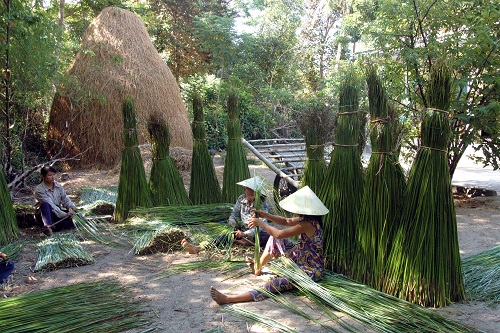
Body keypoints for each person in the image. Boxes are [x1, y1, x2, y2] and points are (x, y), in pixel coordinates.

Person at [210, 185, 328, 304]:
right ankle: (258, 267)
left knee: (273, 284)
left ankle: (229, 299)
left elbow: (279, 234)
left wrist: (261, 223)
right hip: (301, 258)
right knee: (272, 239)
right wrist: (264, 215)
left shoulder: (308, 224)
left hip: (310, 271)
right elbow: (285, 221)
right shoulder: (305, 219)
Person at [182, 176, 270, 253]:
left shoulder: (262, 204)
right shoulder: (241, 199)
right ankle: (198, 247)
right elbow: (235, 214)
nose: (248, 193)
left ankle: (243, 241)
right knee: (224, 232)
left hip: (256, 233)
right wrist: (232, 221)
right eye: (247, 190)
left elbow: (261, 226)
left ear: (257, 193)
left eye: (252, 192)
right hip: (241, 230)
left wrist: (244, 234)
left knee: (266, 238)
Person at [34, 165, 77, 236]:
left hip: (57, 212)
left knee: (76, 218)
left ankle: (55, 226)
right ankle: (48, 226)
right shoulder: (39, 189)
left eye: (54, 175)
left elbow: (65, 199)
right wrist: (65, 214)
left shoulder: (58, 186)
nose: (53, 177)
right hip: (46, 214)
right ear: (43, 176)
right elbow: (51, 205)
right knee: (45, 205)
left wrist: (72, 207)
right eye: (50, 175)